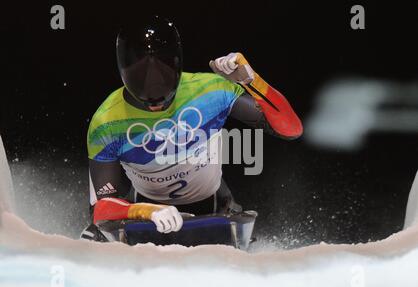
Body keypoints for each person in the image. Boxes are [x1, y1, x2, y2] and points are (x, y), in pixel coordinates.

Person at [83, 15, 302, 238]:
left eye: (162, 74)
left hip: (215, 203)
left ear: (176, 65)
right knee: (94, 232)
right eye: (141, 76)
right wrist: (145, 211)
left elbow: (292, 129)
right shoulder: (106, 122)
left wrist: (251, 81)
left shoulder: (212, 91)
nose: (155, 99)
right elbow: (100, 209)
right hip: (147, 210)